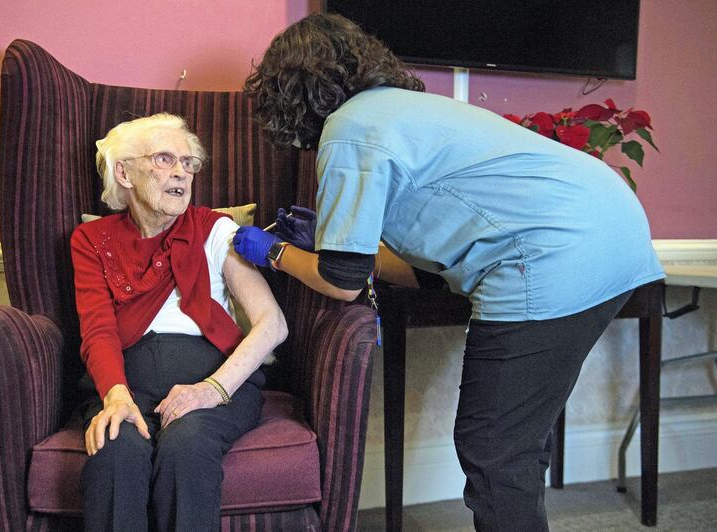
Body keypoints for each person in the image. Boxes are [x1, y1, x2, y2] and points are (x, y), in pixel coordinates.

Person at [232, 13, 665, 532]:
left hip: (553, 254)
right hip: (614, 231)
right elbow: (420, 267)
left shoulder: (349, 131)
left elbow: (342, 282)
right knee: (515, 444)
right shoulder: (410, 110)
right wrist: (336, 249)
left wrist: (275, 252)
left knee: (493, 451)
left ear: (290, 91)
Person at [70, 112, 288, 531]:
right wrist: (116, 398)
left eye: (189, 163)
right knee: (115, 451)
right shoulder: (91, 240)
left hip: (214, 382)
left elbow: (272, 323)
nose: (182, 174)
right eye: (166, 159)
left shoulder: (214, 230)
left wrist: (211, 390)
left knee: (186, 449)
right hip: (123, 382)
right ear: (125, 172)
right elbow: (98, 329)